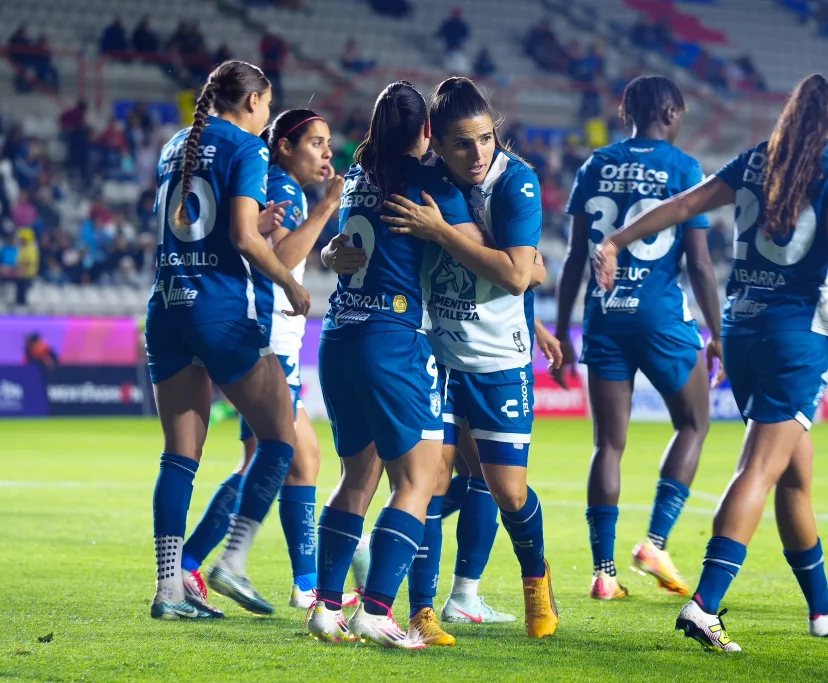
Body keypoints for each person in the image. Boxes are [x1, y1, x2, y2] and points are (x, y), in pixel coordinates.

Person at [594, 74, 828, 652]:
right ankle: (705, 606)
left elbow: (685, 204)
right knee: (759, 469)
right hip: (797, 337)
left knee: (794, 475)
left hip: (742, 332)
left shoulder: (758, 159)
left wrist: (617, 241)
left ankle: (823, 608)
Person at [379, 76, 558, 639]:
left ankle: (536, 579)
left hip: (500, 361)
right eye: (462, 143)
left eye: (485, 139)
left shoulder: (518, 183)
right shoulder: (426, 180)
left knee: (508, 491)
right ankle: (422, 611)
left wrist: (442, 232)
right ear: (436, 141)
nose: (477, 154)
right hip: (438, 355)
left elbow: (512, 277)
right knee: (428, 483)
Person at [305, 81, 477, 649]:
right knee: (419, 480)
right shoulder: (430, 185)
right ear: (428, 132)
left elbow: (337, 249)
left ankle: (327, 606)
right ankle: (376, 609)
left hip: (338, 336)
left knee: (357, 477)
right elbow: (479, 253)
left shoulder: (357, 178)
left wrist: (330, 253)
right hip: (390, 337)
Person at [144, 59, 310, 620]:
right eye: (267, 101)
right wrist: (289, 279)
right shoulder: (248, 147)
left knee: (179, 457)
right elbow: (242, 236)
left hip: (167, 307)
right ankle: (233, 559)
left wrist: (251, 229)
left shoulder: (175, 146)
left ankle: (169, 590)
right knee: (280, 440)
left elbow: (196, 225)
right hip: (221, 313)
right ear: (256, 100)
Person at [553, 75, 721, 602]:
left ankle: (604, 573)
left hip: (604, 317)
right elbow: (697, 262)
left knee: (608, 444)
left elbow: (577, 258)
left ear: (626, 112)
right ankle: (654, 542)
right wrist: (718, 333)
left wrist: (562, 331)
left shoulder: (595, 165)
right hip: (661, 318)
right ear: (670, 112)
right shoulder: (683, 168)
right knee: (694, 423)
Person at [179, 109, 348, 613]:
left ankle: (302, 582)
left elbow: (282, 251)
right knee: (278, 459)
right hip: (269, 338)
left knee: (299, 461)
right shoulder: (284, 188)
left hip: (275, 338)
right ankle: (197, 565)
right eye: (315, 143)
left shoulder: (280, 186)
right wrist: (326, 210)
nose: (325, 153)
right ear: (284, 148)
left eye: (328, 143)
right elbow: (278, 257)